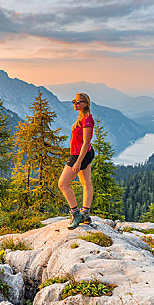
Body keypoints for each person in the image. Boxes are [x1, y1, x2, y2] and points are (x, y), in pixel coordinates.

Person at [58, 92, 95, 229]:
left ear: (85, 104)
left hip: (80, 155)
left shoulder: (87, 119)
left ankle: (76, 213)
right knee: (86, 183)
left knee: (63, 184)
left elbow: (86, 142)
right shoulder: (82, 117)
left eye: (78, 101)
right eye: (74, 101)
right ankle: (85, 213)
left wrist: (78, 162)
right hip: (83, 154)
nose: (75, 103)